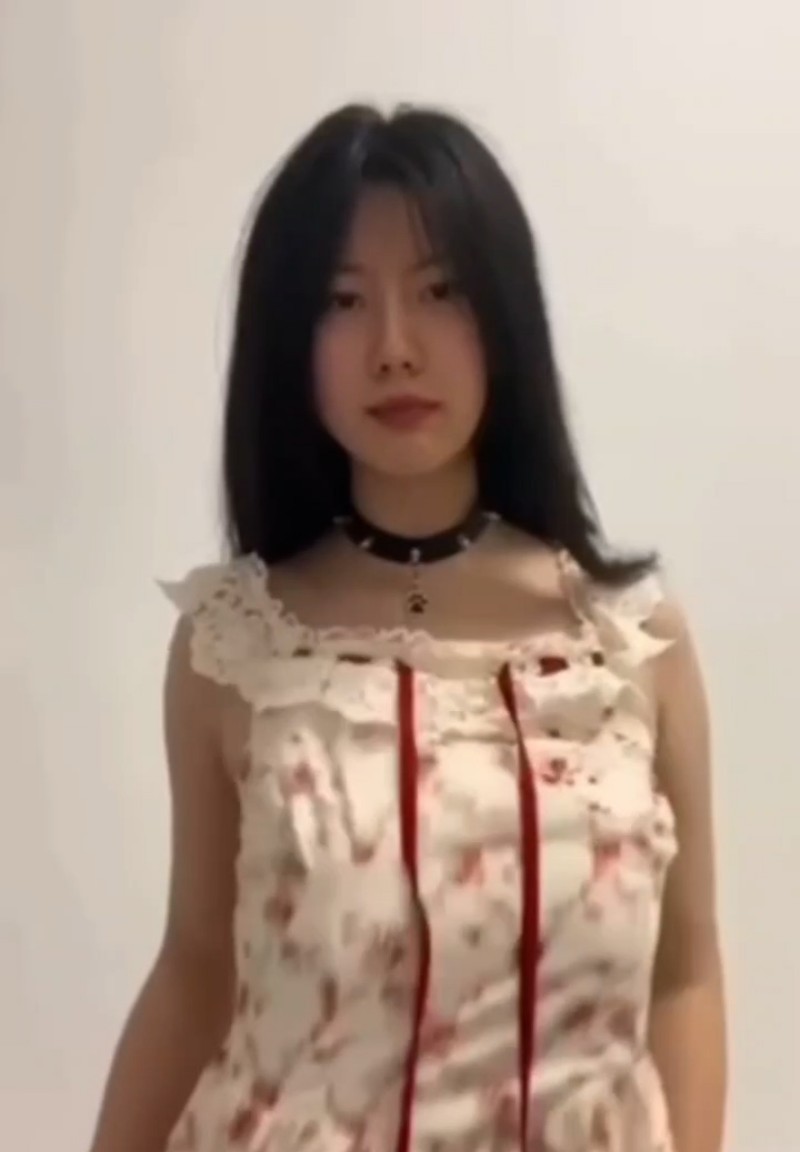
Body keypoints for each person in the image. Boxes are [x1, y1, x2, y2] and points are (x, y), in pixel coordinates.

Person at [89, 103, 726, 1152]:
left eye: (439, 292)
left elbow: (685, 972)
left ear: (503, 314)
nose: (393, 348)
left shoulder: (630, 642)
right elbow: (196, 972)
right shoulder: (236, 647)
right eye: (343, 302)